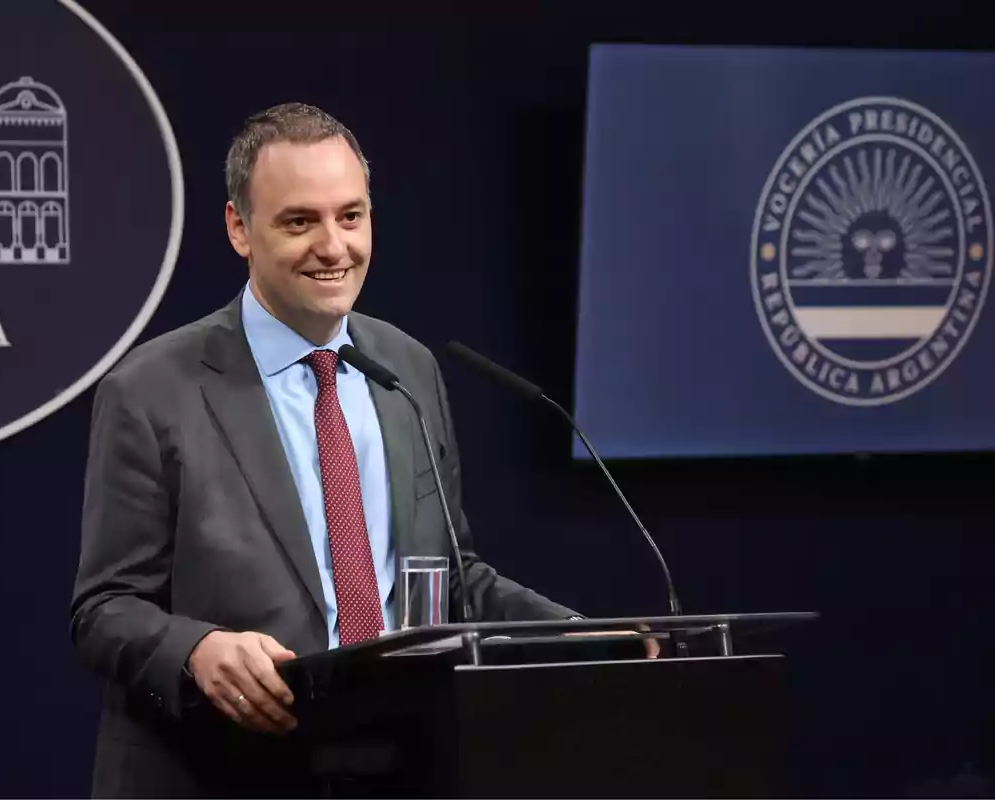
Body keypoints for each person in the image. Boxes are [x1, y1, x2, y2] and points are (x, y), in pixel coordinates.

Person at [69, 102, 617, 797]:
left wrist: (575, 636)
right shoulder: (152, 389)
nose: (334, 247)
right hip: (222, 772)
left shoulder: (407, 368)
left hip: (401, 766)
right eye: (300, 221)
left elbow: (451, 574)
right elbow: (104, 608)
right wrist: (198, 650)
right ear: (239, 228)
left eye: (350, 216)